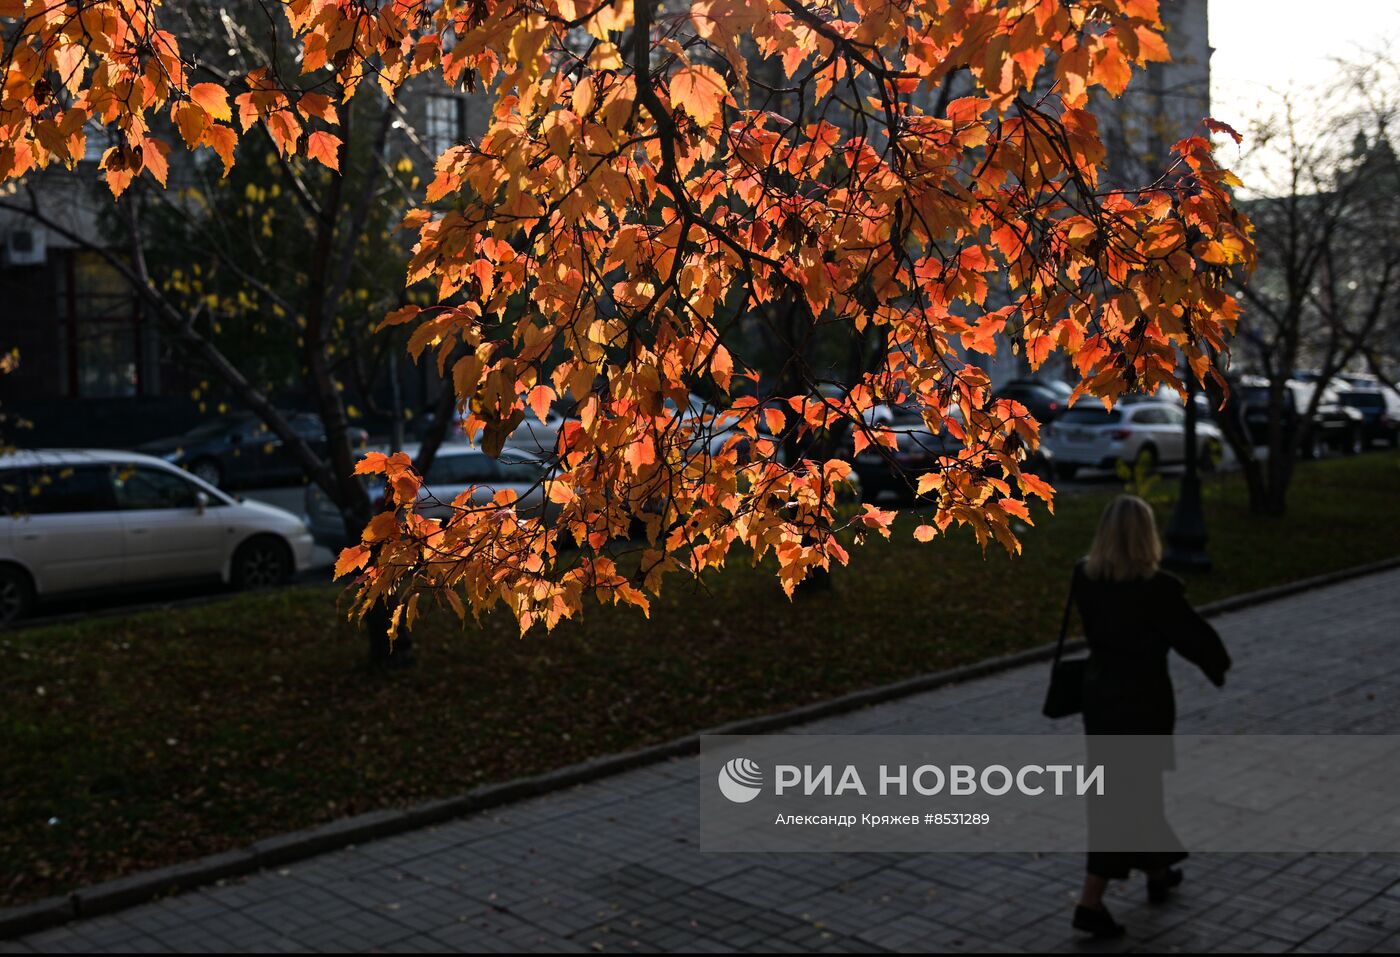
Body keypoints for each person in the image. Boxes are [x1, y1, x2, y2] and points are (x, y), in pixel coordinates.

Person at [1069, 494, 1232, 939]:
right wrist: (1218, 665)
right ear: (1147, 535)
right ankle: (1090, 901)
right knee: (1122, 802)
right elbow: (1193, 637)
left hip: (1100, 701)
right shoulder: (1157, 588)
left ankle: (1158, 871)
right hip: (1143, 705)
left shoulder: (1084, 577)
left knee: (1131, 792)